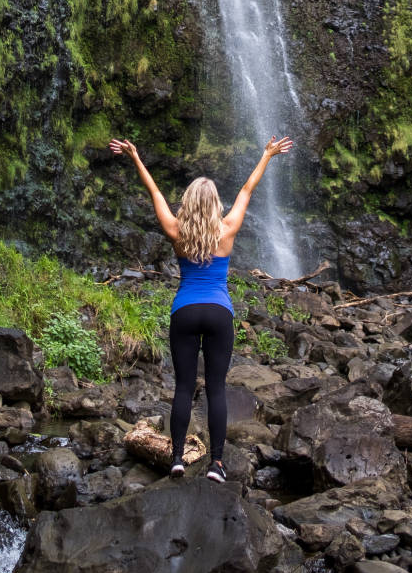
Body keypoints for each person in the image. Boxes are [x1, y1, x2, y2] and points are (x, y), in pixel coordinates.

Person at [109, 134, 294, 482]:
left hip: (185, 311)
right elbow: (246, 191)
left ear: (189, 203)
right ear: (214, 205)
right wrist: (267, 155)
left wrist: (135, 157)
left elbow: (155, 194)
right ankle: (217, 465)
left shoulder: (176, 230)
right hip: (219, 312)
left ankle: (177, 458)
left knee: (182, 387)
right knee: (217, 389)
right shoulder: (227, 229)